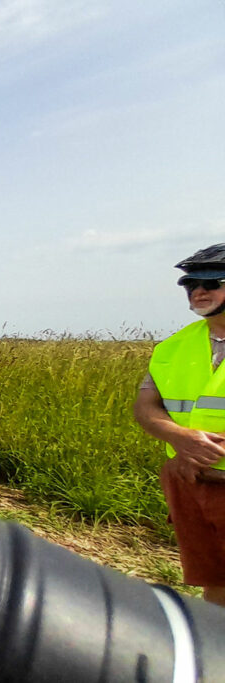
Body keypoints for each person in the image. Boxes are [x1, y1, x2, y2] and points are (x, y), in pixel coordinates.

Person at [134, 243, 225, 608]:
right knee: (214, 587)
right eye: (190, 284)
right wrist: (180, 439)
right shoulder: (172, 348)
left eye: (212, 282)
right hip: (190, 483)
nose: (198, 292)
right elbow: (146, 407)